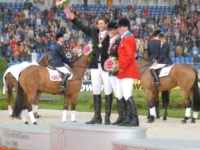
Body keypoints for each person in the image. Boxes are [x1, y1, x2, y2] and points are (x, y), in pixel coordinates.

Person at [66, 8, 112, 125]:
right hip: (95, 65)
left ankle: (107, 117)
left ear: (106, 24)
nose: (99, 25)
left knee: (107, 90)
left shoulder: (111, 34)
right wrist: (73, 18)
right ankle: (97, 117)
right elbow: (82, 26)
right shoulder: (93, 32)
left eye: (101, 24)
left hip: (106, 66)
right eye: (98, 24)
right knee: (96, 90)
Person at [116, 18, 140, 127]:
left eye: (121, 26)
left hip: (127, 69)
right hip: (122, 70)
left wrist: (122, 66)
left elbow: (130, 56)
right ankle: (129, 118)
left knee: (127, 94)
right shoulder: (124, 38)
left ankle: (134, 119)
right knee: (123, 95)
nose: (119, 28)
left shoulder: (129, 38)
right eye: (119, 27)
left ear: (126, 27)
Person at [106, 21, 122, 125]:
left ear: (116, 30)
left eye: (111, 30)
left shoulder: (119, 40)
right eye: (108, 30)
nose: (109, 32)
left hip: (118, 70)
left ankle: (123, 115)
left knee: (119, 93)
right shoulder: (109, 40)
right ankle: (121, 115)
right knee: (117, 93)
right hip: (111, 70)